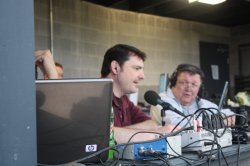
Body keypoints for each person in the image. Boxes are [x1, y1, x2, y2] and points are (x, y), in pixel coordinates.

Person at [100, 44, 177, 144]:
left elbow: (152, 124)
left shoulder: (124, 100)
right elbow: (101, 136)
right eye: (137, 68)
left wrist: (121, 132)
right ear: (115, 68)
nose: (142, 76)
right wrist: (157, 134)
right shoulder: (94, 99)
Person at [150, 64, 235, 129]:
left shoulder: (200, 102)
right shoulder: (161, 100)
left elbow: (221, 111)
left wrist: (229, 116)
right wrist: (213, 120)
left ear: (200, 88)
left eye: (194, 84)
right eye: (183, 82)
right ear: (173, 83)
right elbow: (174, 123)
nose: (189, 88)